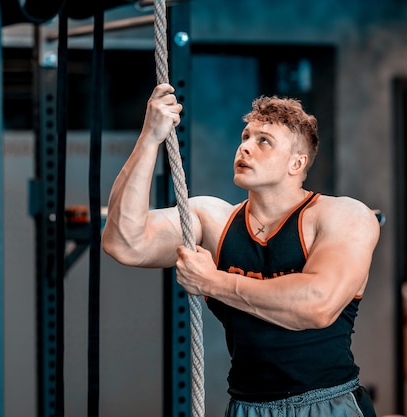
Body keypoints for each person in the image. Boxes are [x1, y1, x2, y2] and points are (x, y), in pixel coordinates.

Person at [102, 83, 381, 417]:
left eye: (264, 141)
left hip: (327, 404)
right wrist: (149, 138)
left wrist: (212, 282)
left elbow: (317, 306)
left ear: (296, 163)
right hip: (248, 406)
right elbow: (124, 242)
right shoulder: (213, 219)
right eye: (246, 136)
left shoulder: (344, 215)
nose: (246, 147)